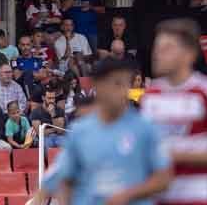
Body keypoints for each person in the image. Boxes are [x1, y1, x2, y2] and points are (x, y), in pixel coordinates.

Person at [29, 58, 173, 205]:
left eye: (124, 84)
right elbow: (58, 177)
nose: (122, 90)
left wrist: (128, 194)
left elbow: (163, 179)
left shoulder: (145, 127)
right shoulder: (81, 131)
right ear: (98, 86)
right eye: (115, 83)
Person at [141, 19, 207, 200]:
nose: (156, 54)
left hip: (197, 196)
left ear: (189, 54)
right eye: (156, 48)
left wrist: (174, 156)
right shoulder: (150, 95)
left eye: (166, 48)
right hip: (157, 197)